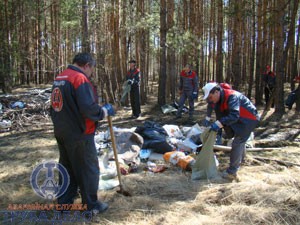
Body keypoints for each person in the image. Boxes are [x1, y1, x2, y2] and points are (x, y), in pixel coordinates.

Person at [50, 52, 115, 214]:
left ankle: (64, 204)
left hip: (62, 131)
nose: (91, 73)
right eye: (91, 69)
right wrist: (104, 112)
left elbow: (54, 106)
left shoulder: (60, 78)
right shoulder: (79, 79)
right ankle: (91, 206)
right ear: (86, 65)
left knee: (68, 168)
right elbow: (88, 108)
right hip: (79, 133)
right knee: (88, 169)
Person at [202, 82, 260, 180]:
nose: (210, 100)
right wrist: (217, 130)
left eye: (210, 97)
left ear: (216, 92)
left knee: (238, 142)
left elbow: (234, 115)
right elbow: (220, 117)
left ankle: (232, 172)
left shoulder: (232, 97)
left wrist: (218, 124)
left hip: (249, 119)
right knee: (240, 140)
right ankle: (242, 160)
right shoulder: (218, 101)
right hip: (240, 119)